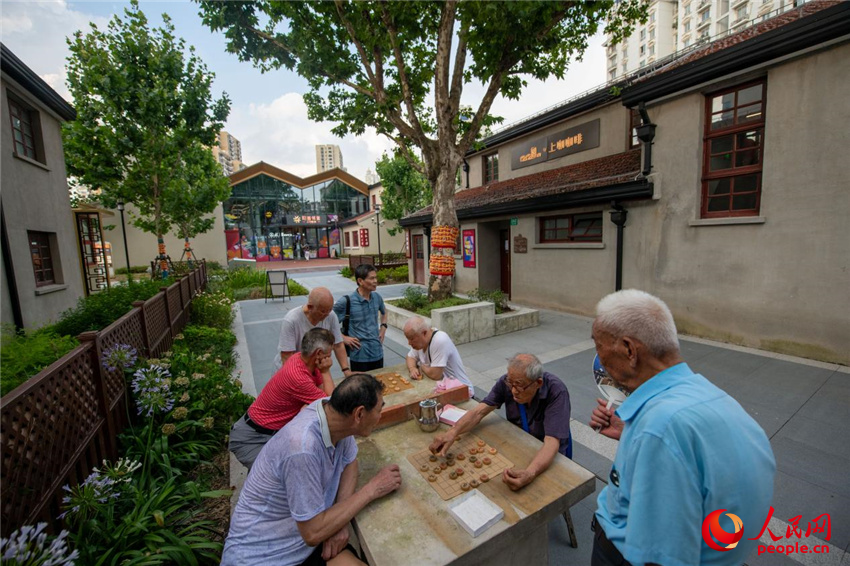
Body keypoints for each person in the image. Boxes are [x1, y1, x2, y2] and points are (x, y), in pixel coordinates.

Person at [587, 289, 775, 566]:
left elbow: (662, 557)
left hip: (621, 554)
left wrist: (648, 438)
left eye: (598, 345)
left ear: (629, 350)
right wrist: (631, 436)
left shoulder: (660, 428)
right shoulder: (711, 397)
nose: (599, 357)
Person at [222, 374, 402, 566]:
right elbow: (313, 532)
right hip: (263, 557)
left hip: (302, 545)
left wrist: (339, 520)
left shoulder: (334, 413)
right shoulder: (302, 448)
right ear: (359, 414)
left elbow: (350, 462)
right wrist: (372, 489)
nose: (380, 416)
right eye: (379, 409)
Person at [429, 353, 571, 491]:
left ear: (538, 383)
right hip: (522, 442)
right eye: (511, 383)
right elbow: (479, 411)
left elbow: (552, 441)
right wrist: (453, 432)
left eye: (519, 385)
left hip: (547, 451)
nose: (513, 391)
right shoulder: (507, 382)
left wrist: (530, 473)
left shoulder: (556, 391)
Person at [230, 328, 336, 468]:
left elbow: (323, 390)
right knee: (274, 475)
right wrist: (326, 371)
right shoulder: (298, 377)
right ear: (319, 354)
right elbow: (332, 403)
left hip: (270, 433)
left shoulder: (300, 359)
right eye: (329, 354)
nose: (329, 358)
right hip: (251, 439)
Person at [273, 287, 351, 376]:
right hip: (291, 369)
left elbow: (338, 345)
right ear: (310, 307)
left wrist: (346, 369)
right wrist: (299, 377)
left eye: (330, 309)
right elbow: (287, 355)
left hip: (313, 369)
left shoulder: (331, 315)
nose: (327, 314)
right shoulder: (291, 320)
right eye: (323, 311)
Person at [403, 316, 474, 398]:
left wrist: (421, 366)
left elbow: (435, 375)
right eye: (408, 339)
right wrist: (412, 368)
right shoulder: (420, 342)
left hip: (462, 391)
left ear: (424, 333)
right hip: (442, 388)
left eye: (411, 339)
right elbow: (410, 357)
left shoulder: (440, 340)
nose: (409, 343)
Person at [333, 264, 387, 372]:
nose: (375, 281)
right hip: (359, 356)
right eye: (371, 278)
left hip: (378, 353)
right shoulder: (346, 301)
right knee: (361, 383)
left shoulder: (377, 297)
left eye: (376, 277)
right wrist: (343, 337)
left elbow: (384, 312)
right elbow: (327, 322)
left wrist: (383, 327)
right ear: (360, 281)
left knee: (378, 381)